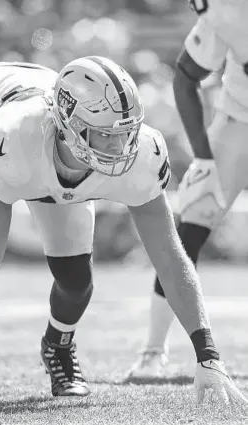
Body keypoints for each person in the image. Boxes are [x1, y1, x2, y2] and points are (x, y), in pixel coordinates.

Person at [0, 57, 245, 410]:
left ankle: (58, 346)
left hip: (47, 132)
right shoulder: (12, 139)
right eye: (106, 135)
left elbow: (171, 258)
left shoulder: (141, 152)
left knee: (76, 278)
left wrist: (208, 355)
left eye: (127, 133)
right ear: (70, 125)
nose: (120, 148)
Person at [124, 0, 248, 380]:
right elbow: (185, 76)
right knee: (192, 221)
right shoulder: (229, 11)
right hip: (239, 121)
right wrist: (206, 159)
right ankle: (152, 352)